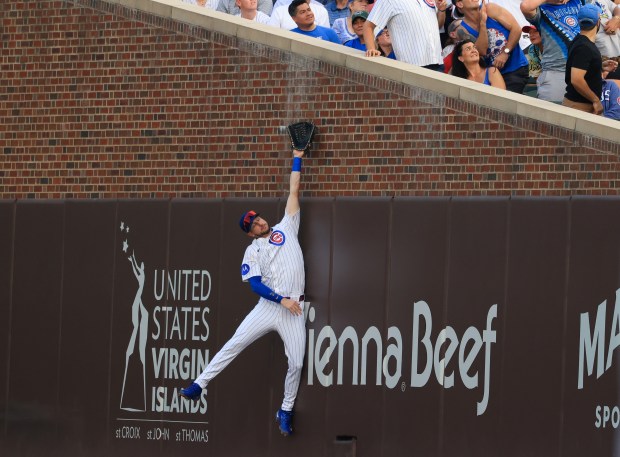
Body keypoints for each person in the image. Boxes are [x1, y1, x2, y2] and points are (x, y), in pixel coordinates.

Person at [180, 149, 308, 437]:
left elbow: (294, 189)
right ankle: (199, 384)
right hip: (270, 305)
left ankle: (285, 409)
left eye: (259, 219)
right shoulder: (252, 251)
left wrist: (297, 156)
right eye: (253, 225)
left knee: (297, 362)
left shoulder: (287, 225)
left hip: (294, 308)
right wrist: (280, 299)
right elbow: (255, 285)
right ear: (249, 233)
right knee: (235, 342)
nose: (259, 223)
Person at [453, 0, 529, 92]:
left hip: (515, 67)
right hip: (492, 74)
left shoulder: (491, 9)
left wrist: (505, 53)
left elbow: (516, 29)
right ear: (459, 4)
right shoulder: (463, 30)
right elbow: (481, 51)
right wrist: (482, 23)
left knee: (505, 101)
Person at [520, 0, 585, 103]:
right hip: (557, 71)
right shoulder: (541, 10)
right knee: (554, 115)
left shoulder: (576, 2)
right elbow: (525, 6)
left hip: (583, 69)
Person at [563, 3, 619, 113]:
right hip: (579, 106)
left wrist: (600, 66)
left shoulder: (580, 41)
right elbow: (576, 79)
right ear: (598, 22)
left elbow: (581, 66)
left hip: (580, 105)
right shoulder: (585, 47)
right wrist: (595, 100)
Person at [362, 0, 446, 70]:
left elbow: (436, 26)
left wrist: (441, 10)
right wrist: (371, 49)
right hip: (412, 66)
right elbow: (368, 26)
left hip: (437, 61)